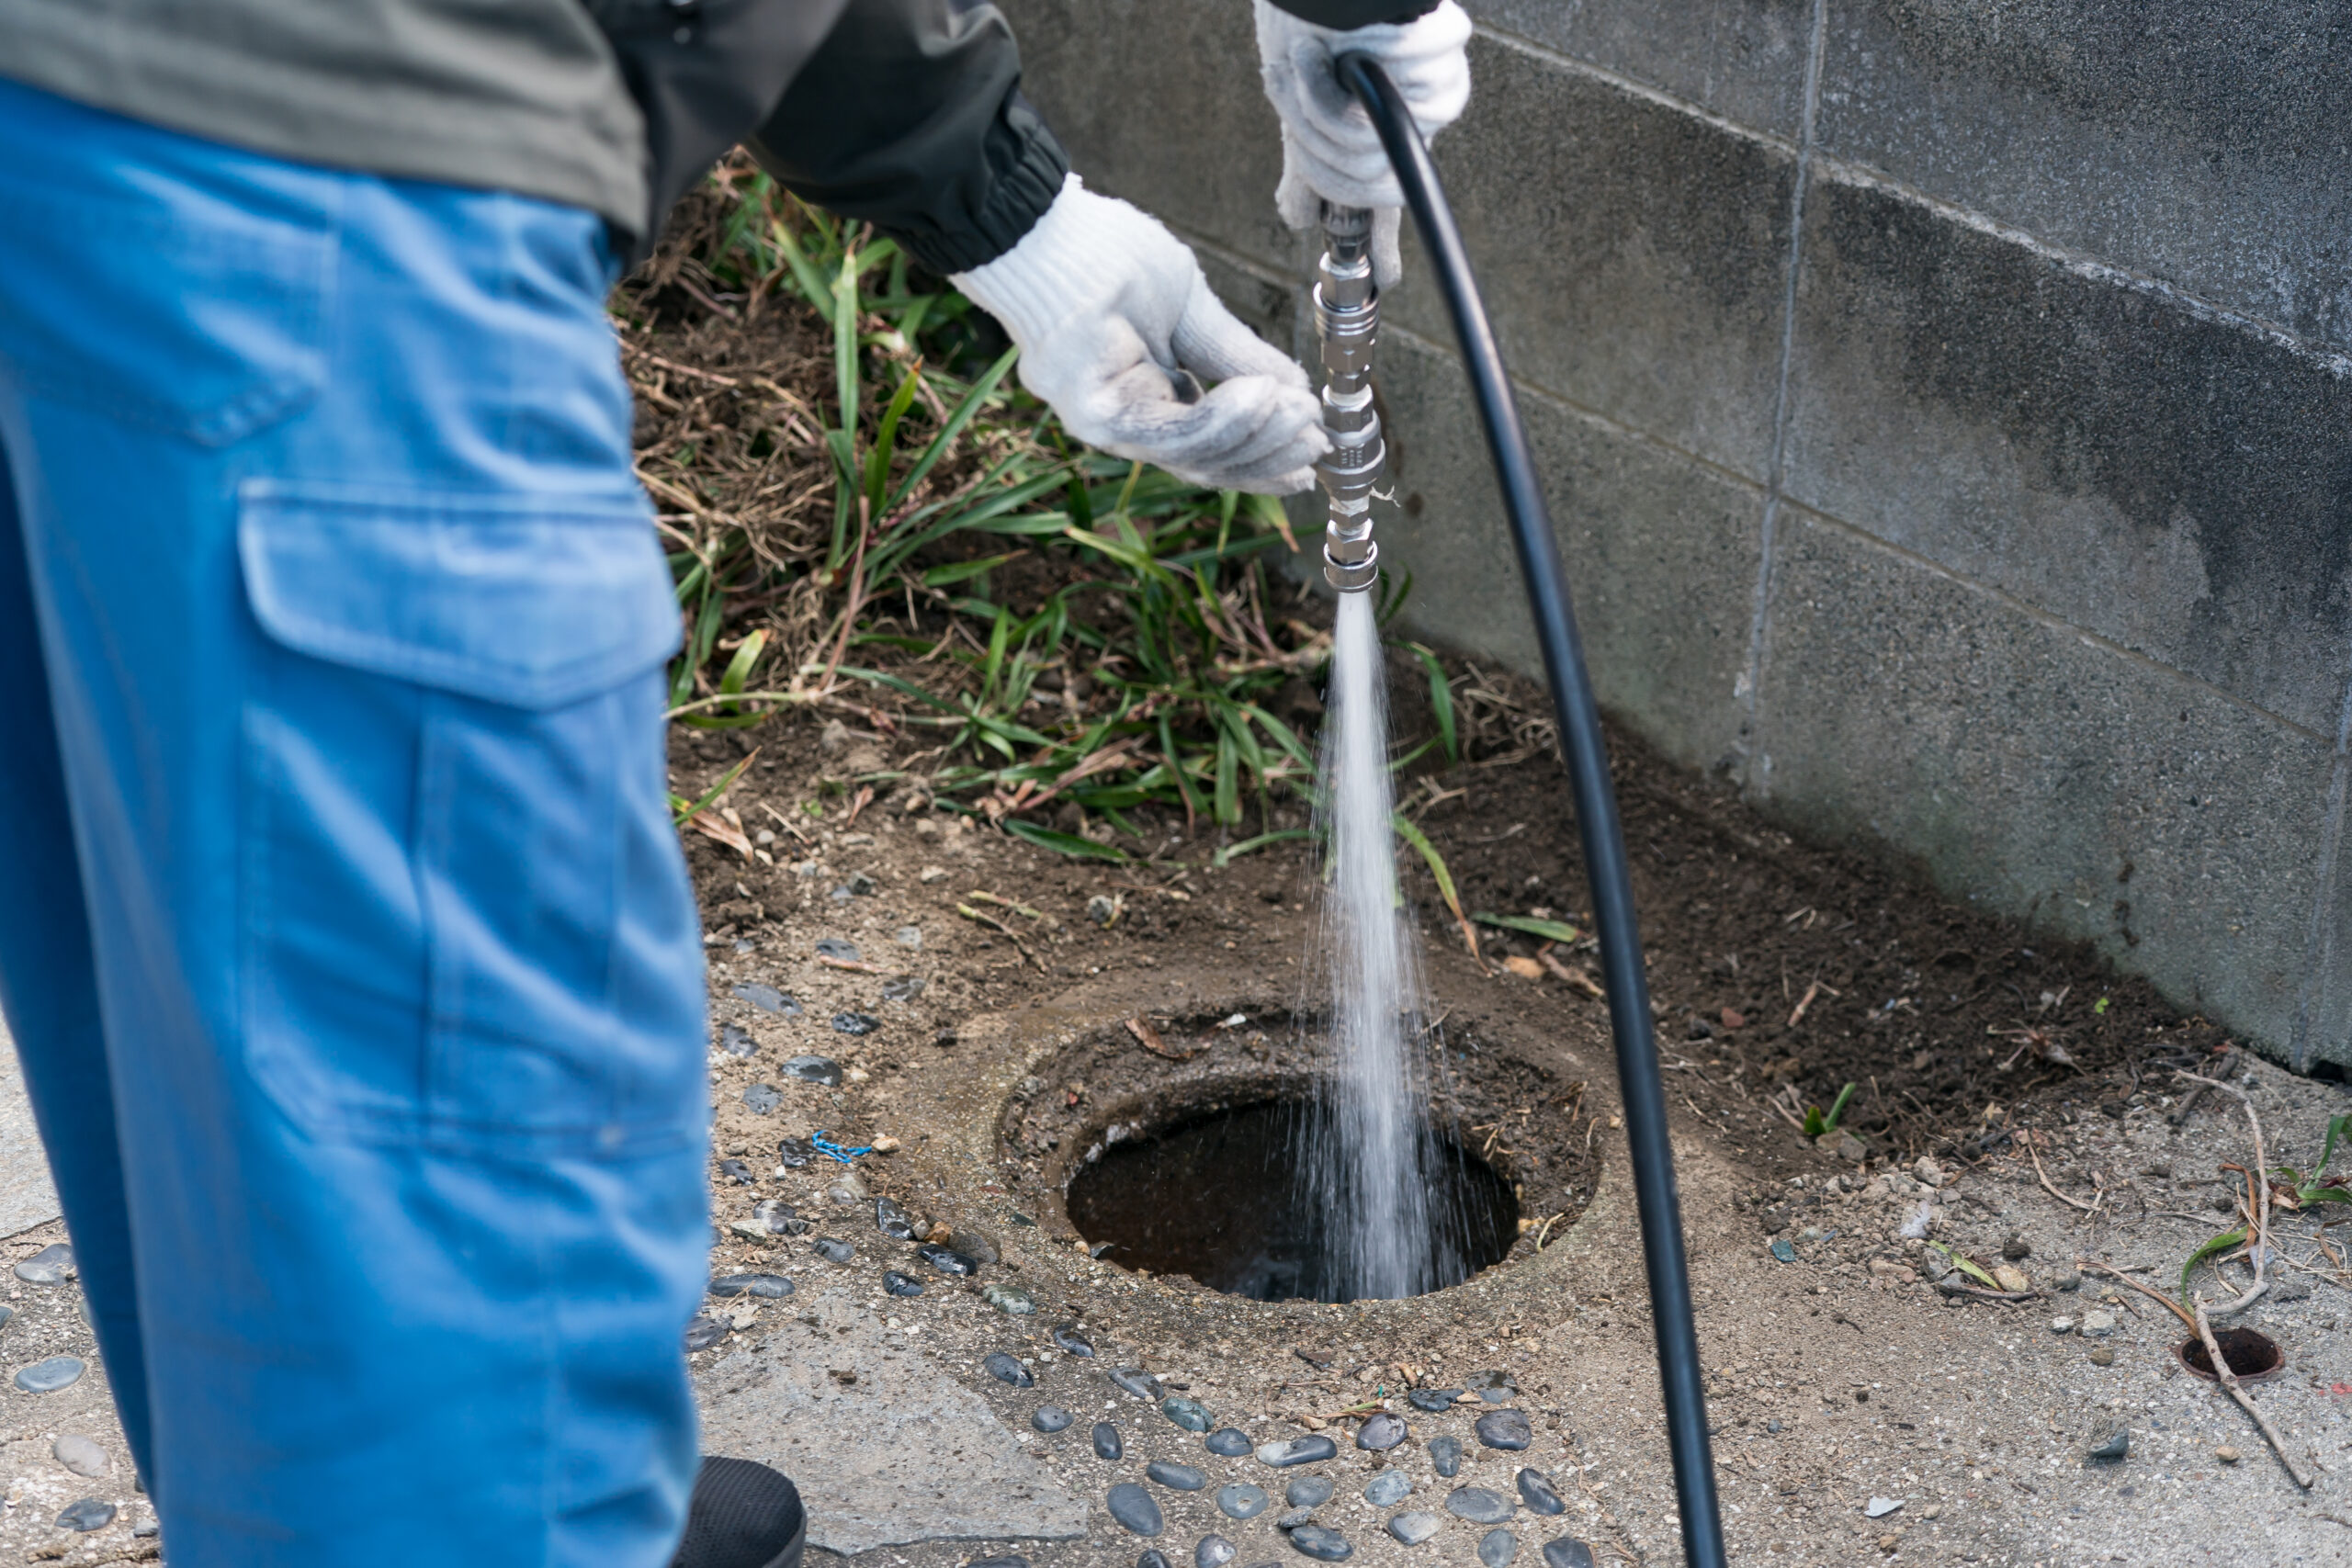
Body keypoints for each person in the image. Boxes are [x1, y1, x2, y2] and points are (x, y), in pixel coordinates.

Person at [0, 0, 1469, 1562]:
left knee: (182, 978)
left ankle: (411, 1499)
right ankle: (487, 1513)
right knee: (452, 1152)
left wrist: (1025, 225)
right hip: (323, 186)